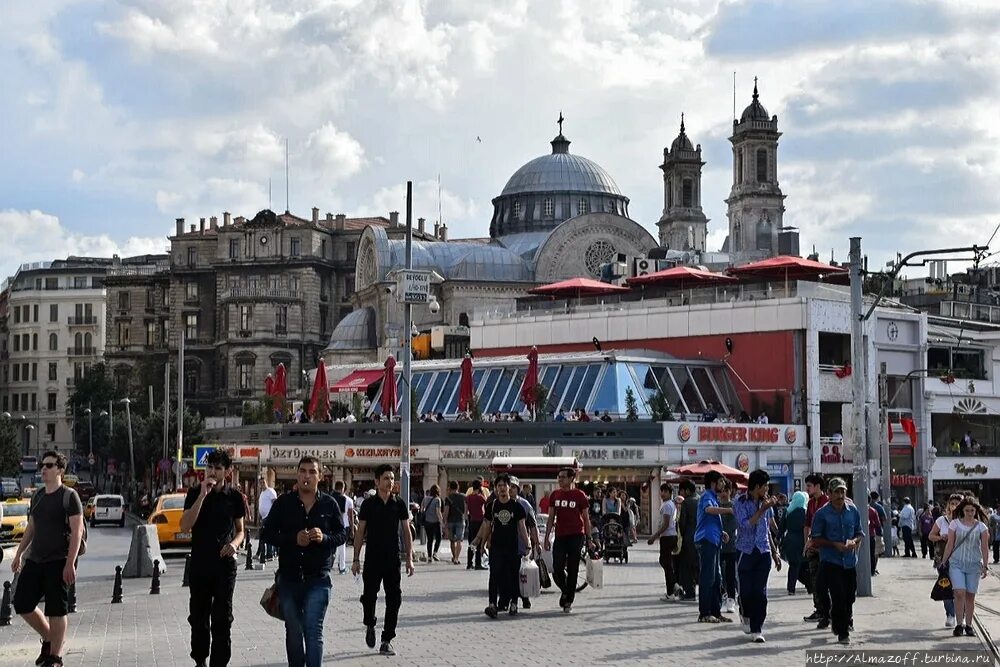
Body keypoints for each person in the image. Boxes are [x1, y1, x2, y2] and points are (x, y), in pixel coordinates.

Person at [262, 456, 347, 667]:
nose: (306, 476)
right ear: (297, 475)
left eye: (312, 472)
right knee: (294, 632)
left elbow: (342, 535)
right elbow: (267, 533)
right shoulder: (284, 502)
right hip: (289, 580)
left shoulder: (330, 504)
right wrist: (293, 539)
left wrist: (324, 538)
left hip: (318, 579)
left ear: (320, 476)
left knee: (313, 631)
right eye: (303, 471)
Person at [11, 450, 84, 667]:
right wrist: (19, 553)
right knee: (22, 602)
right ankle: (49, 637)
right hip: (36, 559)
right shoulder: (38, 496)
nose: (44, 469)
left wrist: (70, 563)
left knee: (56, 609)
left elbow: (77, 531)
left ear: (60, 470)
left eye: (49, 466)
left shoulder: (69, 496)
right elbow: (31, 527)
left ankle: (55, 656)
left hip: (59, 560)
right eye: (43, 465)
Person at [179, 448, 246, 667]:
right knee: (199, 618)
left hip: (225, 566)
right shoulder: (194, 493)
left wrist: (234, 545)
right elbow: (185, 525)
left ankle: (219, 663)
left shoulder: (234, 497)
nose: (213, 472)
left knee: (222, 618)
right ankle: (200, 660)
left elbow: (241, 531)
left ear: (227, 471)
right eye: (210, 467)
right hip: (199, 565)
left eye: (218, 468)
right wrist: (202, 495)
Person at [352, 464, 414, 657]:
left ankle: (387, 640)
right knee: (369, 597)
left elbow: (406, 531)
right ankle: (370, 624)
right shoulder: (369, 505)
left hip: (392, 559)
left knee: (394, 599)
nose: (390, 481)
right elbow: (360, 531)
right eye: (386, 478)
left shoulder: (399, 503)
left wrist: (410, 558)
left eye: (392, 478)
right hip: (372, 559)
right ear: (377, 481)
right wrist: (355, 559)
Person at [810, 477, 863, 646]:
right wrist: (834, 544)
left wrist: (854, 541)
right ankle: (842, 632)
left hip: (849, 561)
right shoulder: (822, 514)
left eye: (843, 491)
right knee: (838, 596)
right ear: (829, 494)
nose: (841, 495)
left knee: (849, 597)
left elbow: (859, 532)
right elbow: (815, 539)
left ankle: (840, 618)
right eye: (837, 492)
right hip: (831, 561)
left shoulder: (853, 511)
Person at [733, 470, 781, 643]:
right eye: (765, 486)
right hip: (745, 551)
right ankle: (744, 612)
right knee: (746, 591)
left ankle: (757, 629)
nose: (767, 489)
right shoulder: (739, 502)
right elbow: (745, 526)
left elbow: (767, 530)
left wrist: (775, 552)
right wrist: (762, 510)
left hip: (763, 552)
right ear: (756, 486)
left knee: (760, 593)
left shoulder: (766, 503)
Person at [475, 474, 530, 618]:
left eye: (505, 486)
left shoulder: (517, 507)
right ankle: (492, 604)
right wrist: (483, 544)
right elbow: (487, 525)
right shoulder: (492, 506)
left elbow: (522, 527)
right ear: (495, 489)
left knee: (513, 576)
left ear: (509, 488)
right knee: (494, 575)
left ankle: (514, 603)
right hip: (496, 547)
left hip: (512, 547)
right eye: (499, 486)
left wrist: (527, 543)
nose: (502, 489)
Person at [543, 467, 594, 613]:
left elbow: (586, 519)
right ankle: (565, 590)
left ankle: (568, 600)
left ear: (572, 478)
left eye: (563, 477)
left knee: (573, 569)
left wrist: (589, 538)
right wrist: (546, 537)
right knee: (557, 567)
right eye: (558, 477)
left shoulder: (580, 495)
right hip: (560, 535)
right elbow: (551, 517)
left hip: (576, 535)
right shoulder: (555, 495)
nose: (560, 480)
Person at [940, 496, 990, 638]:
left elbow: (985, 548)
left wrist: (985, 565)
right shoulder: (954, 524)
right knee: (959, 592)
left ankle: (968, 625)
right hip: (956, 563)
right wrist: (944, 562)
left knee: (970, 595)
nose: (969, 513)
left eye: (972, 510)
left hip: (974, 564)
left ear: (976, 511)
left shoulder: (981, 527)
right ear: (962, 510)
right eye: (967, 510)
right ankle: (958, 624)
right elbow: (950, 544)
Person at [694, 471, 734, 624]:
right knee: (707, 577)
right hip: (706, 541)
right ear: (713, 482)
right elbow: (708, 510)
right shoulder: (706, 496)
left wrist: (721, 531)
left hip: (714, 540)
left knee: (717, 578)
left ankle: (716, 612)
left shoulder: (713, 498)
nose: (723, 485)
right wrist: (729, 510)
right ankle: (704, 613)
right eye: (721, 482)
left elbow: (708, 519)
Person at [803, 474, 831, 628]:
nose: (807, 489)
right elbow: (807, 524)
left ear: (818, 486)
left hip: (826, 548)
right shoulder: (811, 502)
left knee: (826, 582)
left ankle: (829, 612)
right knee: (815, 581)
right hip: (813, 547)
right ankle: (819, 609)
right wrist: (805, 543)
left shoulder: (827, 502)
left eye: (809, 486)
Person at [930, 493, 962, 628]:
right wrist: (940, 537)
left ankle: (961, 615)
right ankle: (950, 615)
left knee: (960, 589)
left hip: (961, 559)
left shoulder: (966, 520)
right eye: (952, 503)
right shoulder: (941, 521)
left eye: (958, 503)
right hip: (943, 559)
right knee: (946, 587)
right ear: (948, 505)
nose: (955, 506)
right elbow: (931, 536)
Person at [509, 478, 541, 609]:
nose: (510, 489)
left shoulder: (525, 505)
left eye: (513, 487)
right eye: (508, 486)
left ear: (518, 489)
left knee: (519, 573)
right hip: (503, 544)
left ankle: (522, 598)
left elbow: (532, 526)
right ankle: (511, 599)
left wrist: (536, 543)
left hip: (520, 545)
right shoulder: (498, 503)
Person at [648, 483, 678, 601]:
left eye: (665, 491)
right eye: (661, 491)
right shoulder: (670, 504)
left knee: (666, 564)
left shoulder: (667, 506)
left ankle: (672, 588)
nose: (662, 493)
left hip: (668, 537)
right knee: (666, 563)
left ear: (670, 493)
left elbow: (665, 524)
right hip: (670, 536)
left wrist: (654, 536)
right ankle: (673, 588)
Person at [718, 482, 739, 616]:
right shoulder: (715, 505)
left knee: (731, 574)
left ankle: (731, 599)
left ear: (731, 491)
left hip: (731, 546)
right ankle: (722, 596)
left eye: (726, 490)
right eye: (722, 491)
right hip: (718, 545)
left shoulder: (734, 506)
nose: (724, 493)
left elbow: (735, 524)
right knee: (719, 575)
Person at [676, 479, 700, 601]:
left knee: (686, 567)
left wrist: (682, 535)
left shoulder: (687, 503)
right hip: (701, 538)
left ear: (687, 490)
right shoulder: (701, 500)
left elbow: (682, 523)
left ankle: (690, 593)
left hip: (689, 538)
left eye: (681, 490)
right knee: (699, 566)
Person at [782, 491, 808, 595]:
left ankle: (791, 588)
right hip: (801, 539)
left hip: (790, 539)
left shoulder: (787, 511)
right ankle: (810, 585)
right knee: (803, 564)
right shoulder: (805, 512)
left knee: (793, 565)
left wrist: (778, 539)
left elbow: (782, 528)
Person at [330, 480, 355, 574]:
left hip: (332, 526)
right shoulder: (348, 500)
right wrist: (352, 530)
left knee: (332, 546)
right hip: (344, 526)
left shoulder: (330, 498)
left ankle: (329, 565)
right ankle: (342, 567)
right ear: (343, 488)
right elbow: (350, 516)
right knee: (342, 547)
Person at [442, 481, 466, 565]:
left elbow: (446, 511)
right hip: (460, 520)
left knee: (452, 541)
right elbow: (465, 510)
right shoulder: (463, 497)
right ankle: (456, 558)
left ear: (450, 488)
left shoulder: (448, 498)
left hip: (451, 521)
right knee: (459, 540)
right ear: (458, 487)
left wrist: (444, 522)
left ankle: (454, 556)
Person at [466, 479, 487, 570]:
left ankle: (469, 563)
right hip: (480, 521)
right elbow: (486, 505)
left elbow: (465, 511)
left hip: (472, 520)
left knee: (471, 542)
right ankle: (478, 563)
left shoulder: (468, 497)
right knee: (479, 543)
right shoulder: (480, 497)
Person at [257, 474, 278, 562]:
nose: (262, 484)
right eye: (261, 483)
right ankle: (264, 553)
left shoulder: (270, 491)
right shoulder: (262, 493)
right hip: (264, 517)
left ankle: (270, 554)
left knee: (268, 535)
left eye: (263, 482)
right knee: (264, 535)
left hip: (269, 517)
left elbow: (275, 503)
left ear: (266, 482)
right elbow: (261, 504)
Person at [422, 485, 443, 562]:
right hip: (436, 522)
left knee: (429, 540)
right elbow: (438, 512)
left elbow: (422, 509)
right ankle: (435, 552)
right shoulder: (437, 500)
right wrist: (442, 522)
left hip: (427, 522)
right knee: (439, 538)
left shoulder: (425, 498)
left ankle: (429, 556)